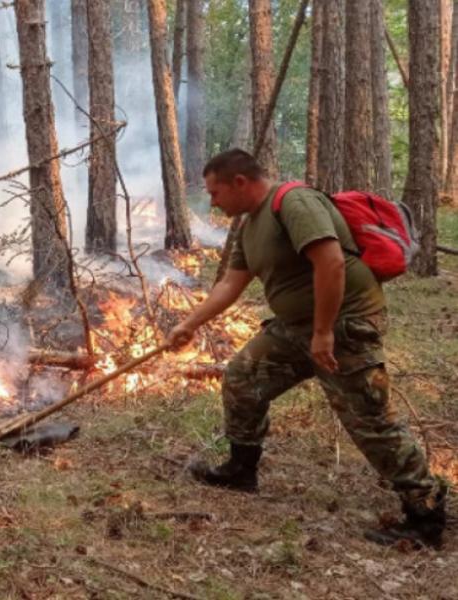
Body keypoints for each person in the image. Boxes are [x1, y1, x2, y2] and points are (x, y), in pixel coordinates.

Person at [166, 149, 447, 549]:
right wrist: (187, 325)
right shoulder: (248, 226)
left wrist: (323, 332)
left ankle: (425, 513)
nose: (212, 201)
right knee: (243, 375)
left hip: (344, 325)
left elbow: (330, 263)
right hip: (297, 329)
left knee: (369, 418)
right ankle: (241, 470)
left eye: (215, 192)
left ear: (240, 182)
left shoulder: (293, 202)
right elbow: (230, 284)